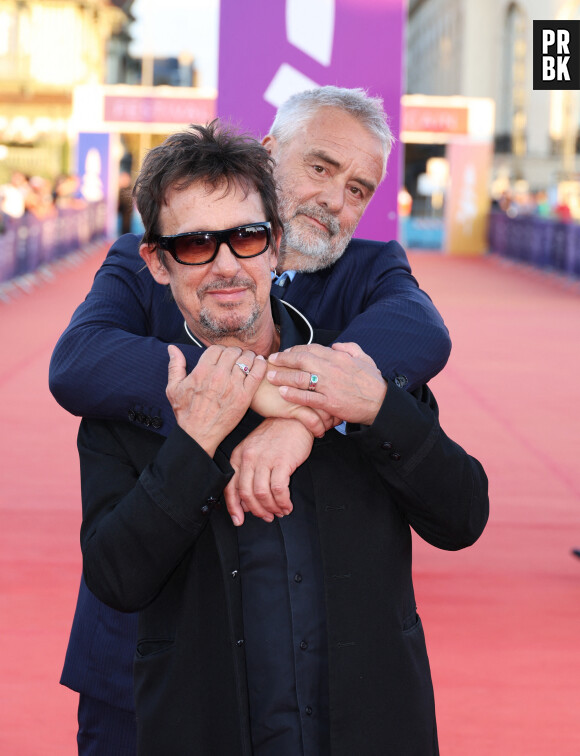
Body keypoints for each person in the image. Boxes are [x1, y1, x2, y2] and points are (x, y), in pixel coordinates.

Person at [51, 87, 453, 752]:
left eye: (359, 188)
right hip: (134, 652)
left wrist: (298, 414)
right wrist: (245, 387)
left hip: (300, 674)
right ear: (268, 155)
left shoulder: (371, 269)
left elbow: (422, 336)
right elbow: (79, 363)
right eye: (320, 168)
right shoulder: (147, 255)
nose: (334, 199)